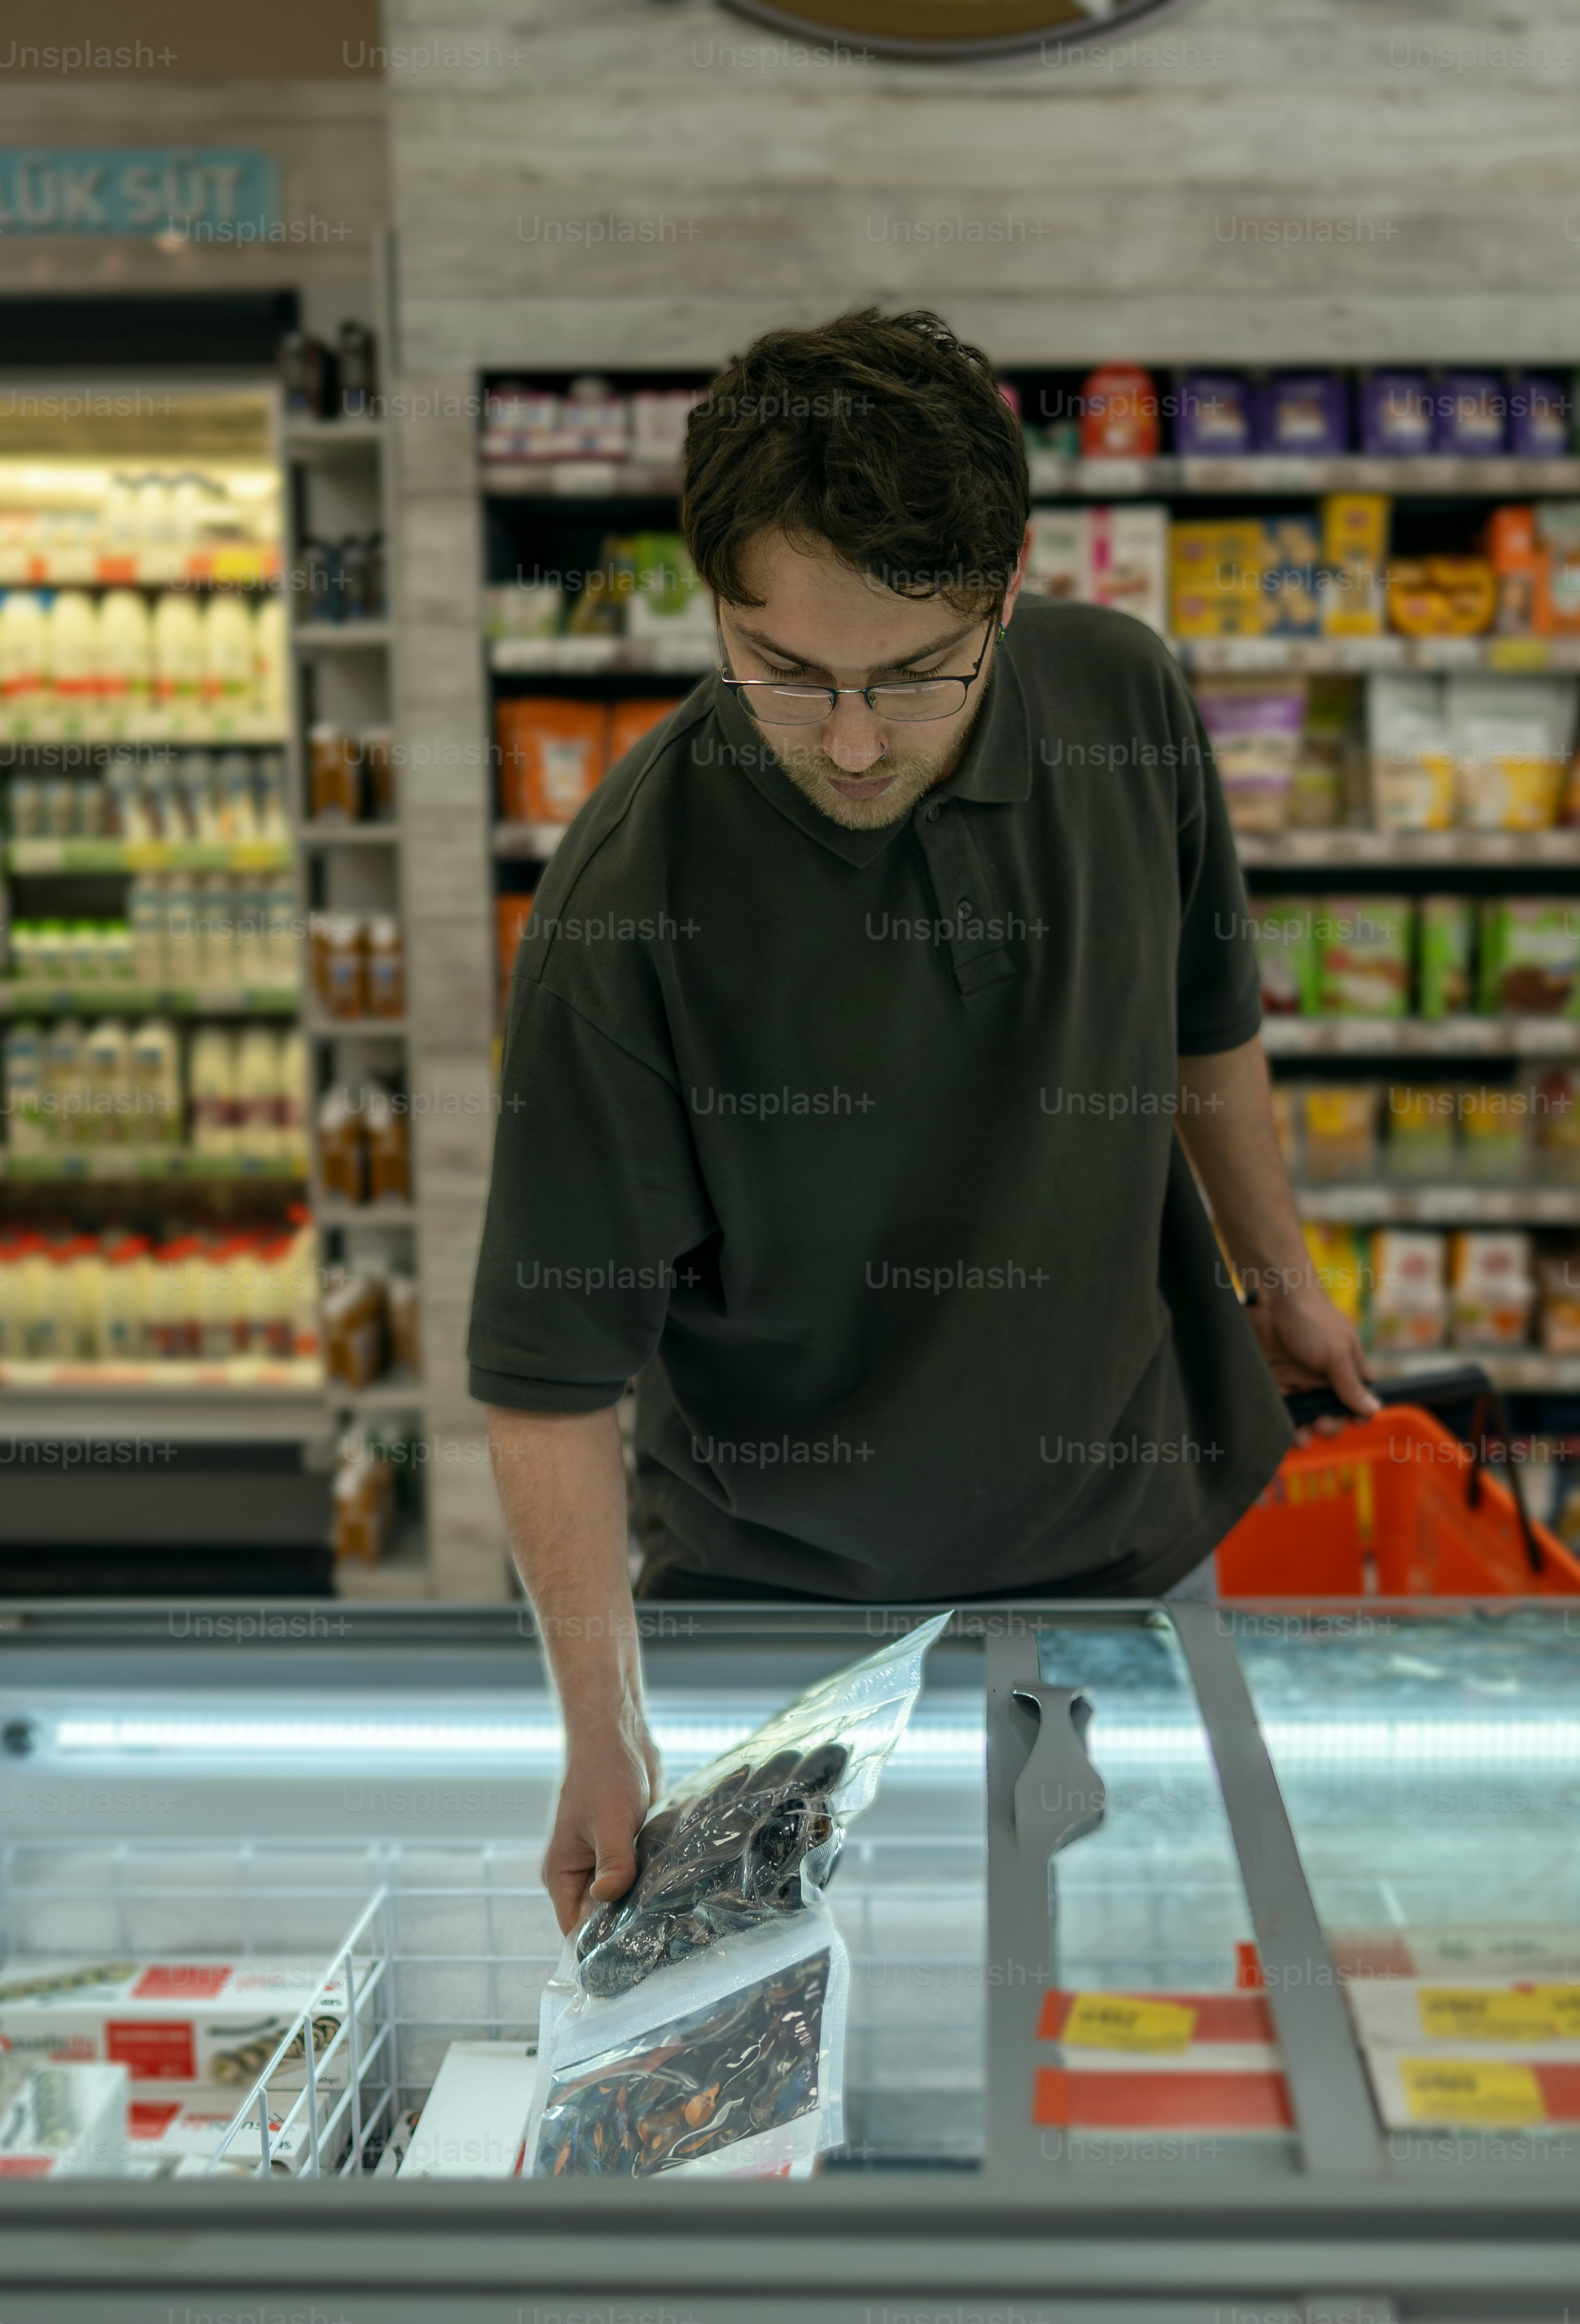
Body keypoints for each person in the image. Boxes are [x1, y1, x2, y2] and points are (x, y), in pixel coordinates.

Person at [471, 307, 1373, 1929]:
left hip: (1137, 1556)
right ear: (714, 605)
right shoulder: (625, 909)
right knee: (850, 2092)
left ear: (1008, 583)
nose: (855, 738)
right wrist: (602, 1727)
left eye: (916, 675)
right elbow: (548, 1377)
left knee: (1140, 1999)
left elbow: (1204, 1024)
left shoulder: (1127, 697)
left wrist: (1280, 1266)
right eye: (787, 673)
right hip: (785, 1622)